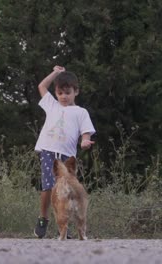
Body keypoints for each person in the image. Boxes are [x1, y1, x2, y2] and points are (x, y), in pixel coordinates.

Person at [33, 65, 96, 238]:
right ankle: (43, 218)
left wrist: (84, 141)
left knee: (65, 191)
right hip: (48, 151)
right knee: (48, 187)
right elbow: (41, 87)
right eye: (60, 93)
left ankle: (63, 226)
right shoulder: (52, 105)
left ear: (76, 92)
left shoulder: (81, 112)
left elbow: (86, 131)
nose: (63, 97)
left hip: (67, 157)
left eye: (67, 93)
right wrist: (55, 73)